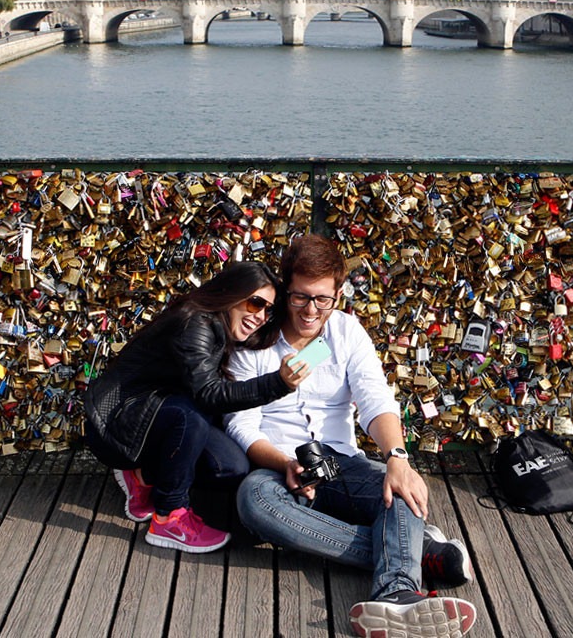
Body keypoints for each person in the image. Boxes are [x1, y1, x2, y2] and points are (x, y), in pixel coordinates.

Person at [226, 235, 476, 638]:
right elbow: (241, 424)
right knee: (253, 501)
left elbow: (375, 397)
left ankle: (396, 594)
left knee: (403, 489)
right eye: (300, 298)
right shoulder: (255, 340)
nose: (310, 310)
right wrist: (284, 463)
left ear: (338, 295)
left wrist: (397, 457)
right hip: (281, 468)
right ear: (285, 290)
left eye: (322, 299)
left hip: (342, 461)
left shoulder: (345, 332)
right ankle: (413, 555)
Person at [84, 261, 311, 554]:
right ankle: (169, 515)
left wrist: (309, 327)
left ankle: (142, 476)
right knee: (191, 414)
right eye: (256, 303)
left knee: (230, 467)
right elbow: (208, 394)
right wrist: (278, 383)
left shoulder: (225, 327)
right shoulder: (195, 322)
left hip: (157, 416)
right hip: (117, 425)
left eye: (268, 311)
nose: (261, 316)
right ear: (232, 293)